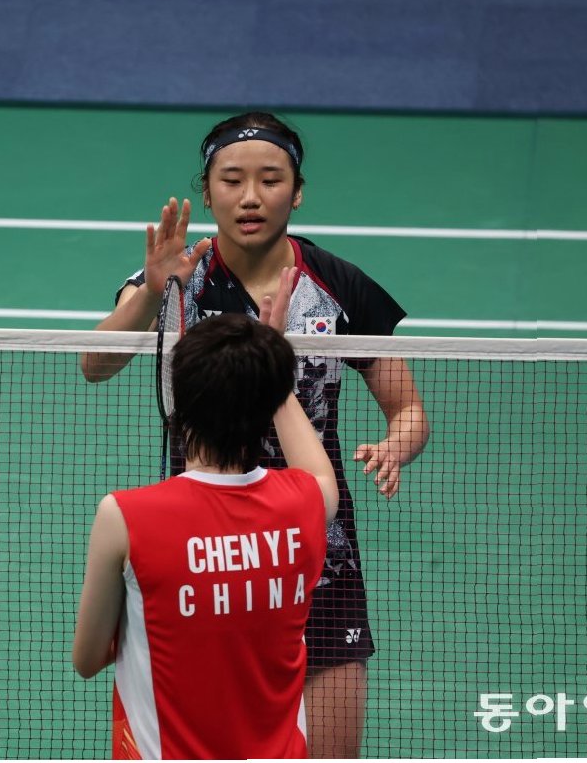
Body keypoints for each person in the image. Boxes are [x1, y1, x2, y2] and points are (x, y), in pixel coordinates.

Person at [79, 112, 431, 757]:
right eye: (232, 180)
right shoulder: (177, 274)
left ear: (297, 193)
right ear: (207, 190)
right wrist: (151, 293)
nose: (250, 197)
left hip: (314, 542)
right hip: (200, 545)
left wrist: (395, 445)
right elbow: (94, 364)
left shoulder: (338, 285)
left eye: (270, 180)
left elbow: (407, 409)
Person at [74, 295, 341, 759]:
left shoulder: (124, 516)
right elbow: (319, 471)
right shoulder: (307, 503)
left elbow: (87, 659)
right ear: (268, 402)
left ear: (181, 402)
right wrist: (269, 365)